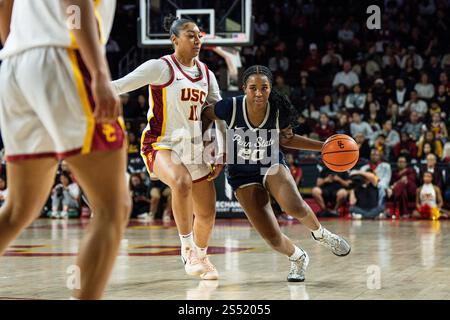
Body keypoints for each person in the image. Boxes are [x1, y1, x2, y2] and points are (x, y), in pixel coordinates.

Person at [0, 0, 131, 299]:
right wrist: (99, 72)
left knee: (18, 210)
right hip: (64, 55)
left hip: (15, 64)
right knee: (113, 207)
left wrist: (24, 49)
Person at [202, 65, 351, 282]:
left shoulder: (279, 109)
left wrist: (323, 147)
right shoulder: (230, 106)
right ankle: (298, 257)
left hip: (270, 163)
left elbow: (287, 139)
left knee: (293, 205)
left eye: (264, 87)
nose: (259, 93)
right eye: (253, 88)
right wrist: (209, 143)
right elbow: (205, 114)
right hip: (241, 174)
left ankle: (321, 234)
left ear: (271, 88)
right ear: (244, 88)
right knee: (271, 237)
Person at [111, 16, 226, 280]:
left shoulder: (207, 74)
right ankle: (187, 249)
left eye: (199, 35)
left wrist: (221, 150)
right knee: (181, 182)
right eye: (190, 35)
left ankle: (201, 255)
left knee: (207, 213)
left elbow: (220, 114)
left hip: (195, 148)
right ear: (175, 40)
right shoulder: (160, 67)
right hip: (161, 143)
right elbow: (120, 85)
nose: (197, 40)